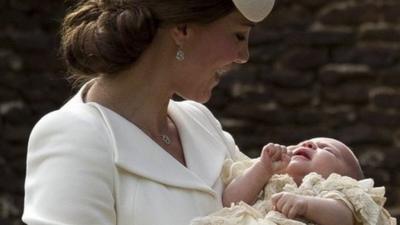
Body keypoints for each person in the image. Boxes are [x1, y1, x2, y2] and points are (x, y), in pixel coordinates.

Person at [22, 0, 276, 225]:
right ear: (183, 29)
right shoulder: (74, 137)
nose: (243, 56)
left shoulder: (200, 122)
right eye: (238, 35)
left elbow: (270, 206)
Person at [190, 137, 396, 225]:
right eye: (303, 142)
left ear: (344, 177)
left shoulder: (336, 191)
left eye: (326, 149)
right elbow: (229, 201)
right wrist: (262, 169)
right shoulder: (269, 179)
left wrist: (306, 205)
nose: (308, 144)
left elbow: (343, 219)